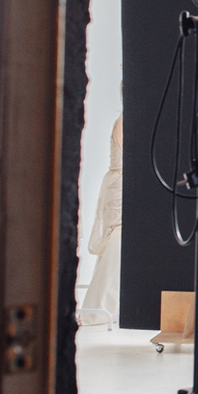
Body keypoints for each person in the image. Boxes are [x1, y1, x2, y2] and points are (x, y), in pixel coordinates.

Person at [77, 109, 124, 327]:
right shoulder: (124, 121)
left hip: (126, 184)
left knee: (120, 241)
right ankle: (98, 306)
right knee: (119, 238)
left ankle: (106, 304)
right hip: (121, 187)